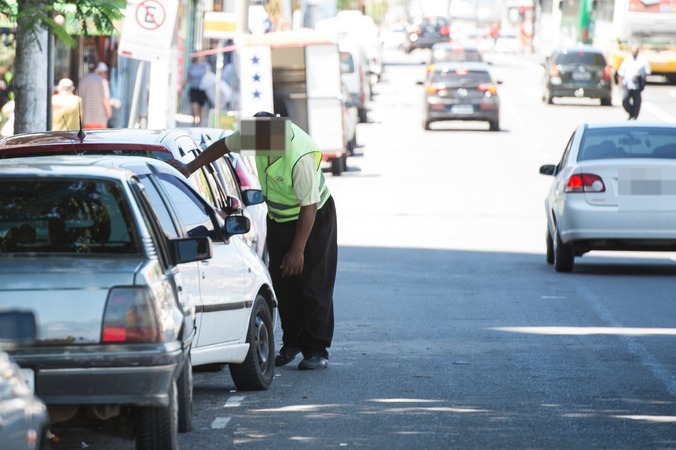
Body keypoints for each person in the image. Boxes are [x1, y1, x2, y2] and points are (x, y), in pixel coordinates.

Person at [167, 111, 337, 371]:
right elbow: (222, 146)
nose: (253, 148)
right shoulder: (259, 135)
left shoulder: (299, 154)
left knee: (313, 284)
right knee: (283, 281)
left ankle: (317, 350)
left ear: (275, 136)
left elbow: (309, 207)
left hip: (312, 221)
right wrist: (190, 168)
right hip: (279, 219)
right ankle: (292, 344)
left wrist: (297, 250)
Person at [617, 46, 651, 120]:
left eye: (636, 51)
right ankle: (631, 112)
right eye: (633, 51)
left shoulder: (642, 61)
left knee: (637, 101)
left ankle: (634, 116)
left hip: (637, 84)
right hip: (627, 83)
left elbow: (648, 72)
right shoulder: (627, 61)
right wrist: (620, 84)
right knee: (625, 100)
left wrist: (641, 76)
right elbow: (621, 73)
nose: (634, 53)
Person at [78, 62, 112, 129]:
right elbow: (105, 99)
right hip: (100, 120)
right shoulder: (103, 81)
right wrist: (109, 112)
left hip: (86, 119)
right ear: (101, 71)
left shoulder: (83, 80)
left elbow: (79, 98)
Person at [186, 55, 211, 125]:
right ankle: (194, 120)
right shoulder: (191, 66)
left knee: (201, 107)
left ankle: (199, 123)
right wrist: (183, 85)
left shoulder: (205, 65)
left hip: (202, 89)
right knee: (193, 106)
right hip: (193, 88)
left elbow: (209, 76)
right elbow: (188, 78)